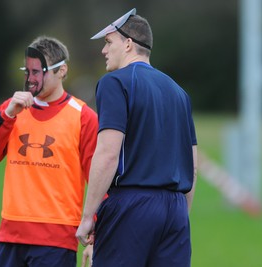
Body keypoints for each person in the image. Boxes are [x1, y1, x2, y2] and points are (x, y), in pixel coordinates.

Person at [76, 8, 198, 267]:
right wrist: (179, 217)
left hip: (130, 206)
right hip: (175, 210)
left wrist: (88, 216)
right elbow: (193, 165)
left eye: (109, 42)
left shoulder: (114, 83)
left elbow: (108, 153)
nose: (103, 51)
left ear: (128, 44)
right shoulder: (179, 93)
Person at [0, 36, 98, 267]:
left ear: (62, 71)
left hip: (56, 241)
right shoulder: (12, 109)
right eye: (28, 72)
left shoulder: (83, 116)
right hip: (10, 236)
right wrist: (7, 116)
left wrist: (95, 234)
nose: (32, 79)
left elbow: (99, 178)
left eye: (39, 72)